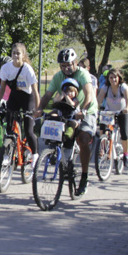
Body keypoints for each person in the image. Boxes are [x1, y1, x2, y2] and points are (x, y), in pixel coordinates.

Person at [38, 48, 96, 196]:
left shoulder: (82, 74)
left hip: (86, 109)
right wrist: (39, 109)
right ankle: (58, 157)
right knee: (55, 127)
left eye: (68, 65)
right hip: (67, 109)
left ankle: (84, 177)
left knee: (83, 138)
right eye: (63, 66)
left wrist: (83, 110)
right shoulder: (58, 77)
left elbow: (89, 94)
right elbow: (48, 95)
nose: (66, 68)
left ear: (75, 62)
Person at [0, 42, 39, 166]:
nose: (15, 56)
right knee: (9, 128)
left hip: (27, 98)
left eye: (18, 53)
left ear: (23, 55)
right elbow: (2, 88)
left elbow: (35, 91)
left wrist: (37, 109)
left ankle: (35, 154)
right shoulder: (6, 68)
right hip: (14, 96)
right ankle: (9, 154)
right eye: (13, 53)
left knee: (28, 130)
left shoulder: (27, 69)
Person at [97, 68, 128, 163]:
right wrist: (97, 107)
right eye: (111, 77)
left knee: (124, 132)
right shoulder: (105, 87)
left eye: (115, 77)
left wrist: (127, 108)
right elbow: (99, 99)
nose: (113, 80)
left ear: (119, 78)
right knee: (103, 128)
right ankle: (102, 147)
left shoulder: (123, 87)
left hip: (123, 111)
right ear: (108, 79)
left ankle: (126, 154)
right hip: (110, 111)